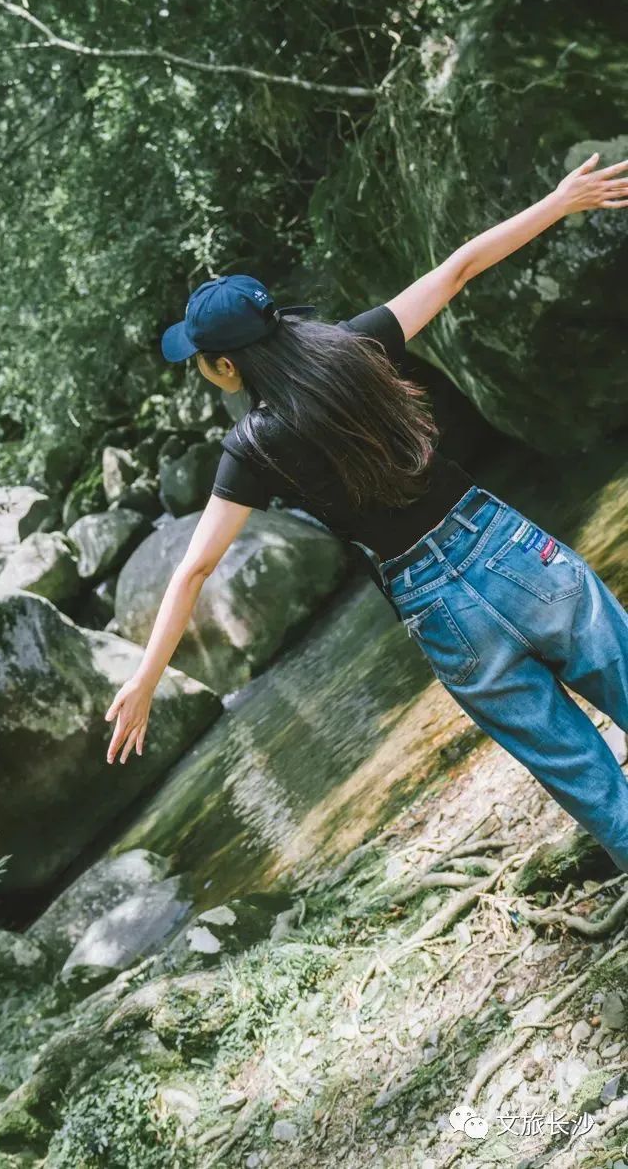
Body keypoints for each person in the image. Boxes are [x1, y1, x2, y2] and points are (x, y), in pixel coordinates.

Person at [104, 150, 628, 873]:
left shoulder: (250, 448)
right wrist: (561, 201)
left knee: (582, 776)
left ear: (226, 367)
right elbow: (457, 270)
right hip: (502, 545)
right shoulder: (358, 344)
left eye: (199, 358)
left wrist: (146, 678)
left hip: (433, 604)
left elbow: (194, 568)